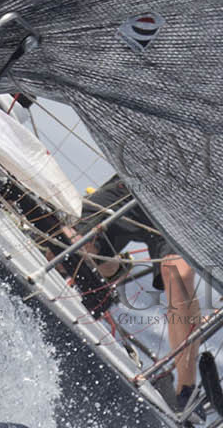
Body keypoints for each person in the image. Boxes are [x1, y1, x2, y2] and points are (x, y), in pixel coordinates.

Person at [76, 176, 201, 411]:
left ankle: (186, 392)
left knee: (179, 275)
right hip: (135, 181)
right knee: (71, 243)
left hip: (186, 210)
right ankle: (112, 268)